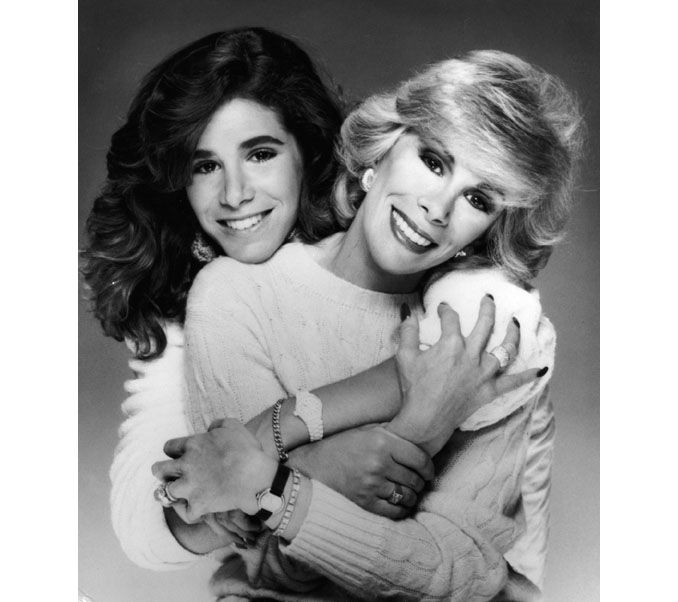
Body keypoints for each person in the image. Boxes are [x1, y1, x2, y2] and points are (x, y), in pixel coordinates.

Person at [84, 27, 519, 576]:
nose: (235, 194)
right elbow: (143, 523)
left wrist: (270, 467)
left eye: (260, 154)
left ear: (307, 152)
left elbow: (462, 362)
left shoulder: (404, 230)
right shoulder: (199, 299)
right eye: (204, 165)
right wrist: (313, 470)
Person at [153, 49, 583, 600]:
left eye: (477, 198)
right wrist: (418, 423)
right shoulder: (238, 295)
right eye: (434, 161)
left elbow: (460, 574)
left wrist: (284, 472)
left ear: (491, 229)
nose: (437, 209)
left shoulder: (491, 334)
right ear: (382, 150)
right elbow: (277, 564)